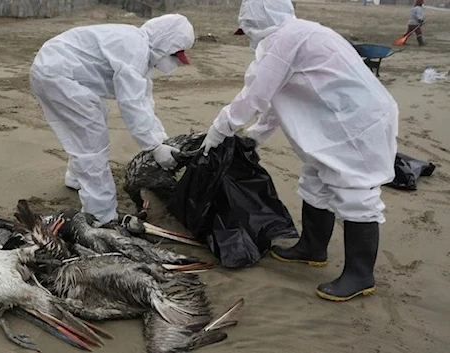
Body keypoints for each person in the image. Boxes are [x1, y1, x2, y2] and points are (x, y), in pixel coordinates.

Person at [201, 0, 398, 302]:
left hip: (357, 122)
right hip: (337, 118)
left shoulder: (283, 41)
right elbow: (279, 97)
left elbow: (254, 96)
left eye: (248, 29)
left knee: (355, 192)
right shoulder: (297, 34)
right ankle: (312, 248)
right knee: (315, 180)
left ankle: (360, 275)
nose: (248, 36)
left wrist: (219, 129)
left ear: (256, 21)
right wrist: (255, 137)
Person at [30, 14, 195, 226]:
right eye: (174, 55)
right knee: (92, 142)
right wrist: (154, 146)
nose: (174, 62)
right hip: (58, 75)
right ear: (165, 44)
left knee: (90, 121)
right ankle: (100, 214)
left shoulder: (138, 47)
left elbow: (144, 99)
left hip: (55, 69)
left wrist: (162, 140)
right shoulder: (134, 49)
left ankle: (76, 178)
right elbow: (132, 104)